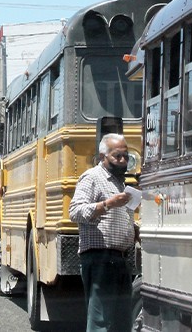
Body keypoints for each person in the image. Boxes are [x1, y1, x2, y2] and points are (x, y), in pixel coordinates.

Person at [68, 133, 135, 332]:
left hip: (121, 260)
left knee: (122, 322)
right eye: (117, 156)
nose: (123, 161)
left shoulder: (120, 182)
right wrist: (106, 204)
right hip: (100, 260)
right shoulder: (92, 178)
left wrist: (134, 231)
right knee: (101, 323)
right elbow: (75, 211)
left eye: (126, 156)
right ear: (102, 157)